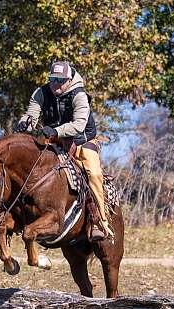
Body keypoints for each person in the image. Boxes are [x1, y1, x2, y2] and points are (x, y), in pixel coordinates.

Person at [15, 61, 113, 241]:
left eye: (60, 80)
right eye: (52, 79)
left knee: (93, 173)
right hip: (53, 141)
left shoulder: (79, 95)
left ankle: (99, 220)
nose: (55, 84)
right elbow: (32, 114)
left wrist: (56, 131)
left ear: (69, 80)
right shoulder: (41, 93)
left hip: (82, 140)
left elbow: (79, 125)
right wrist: (26, 122)